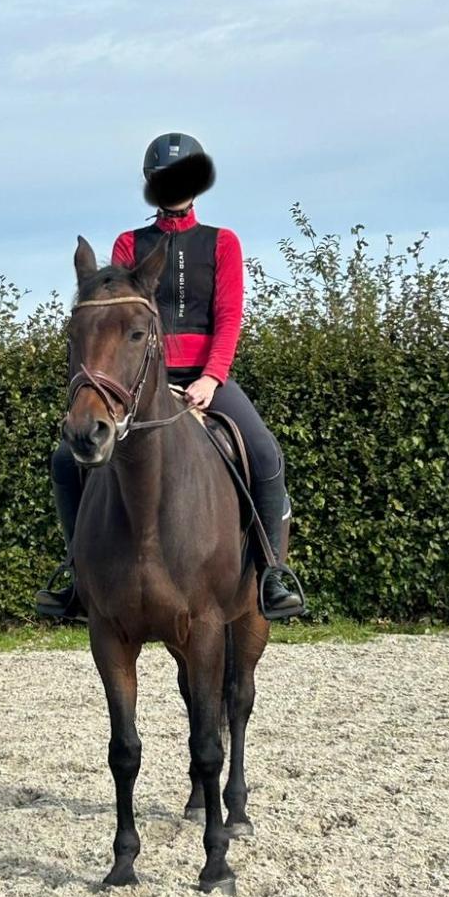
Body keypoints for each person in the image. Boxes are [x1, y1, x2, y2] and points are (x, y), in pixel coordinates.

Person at [37, 132, 304, 622]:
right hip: (139, 382)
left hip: (206, 380)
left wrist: (211, 379)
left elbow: (228, 318)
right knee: (63, 461)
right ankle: (79, 577)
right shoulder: (128, 244)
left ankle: (271, 573)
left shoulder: (222, 243)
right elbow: (115, 326)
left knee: (264, 452)